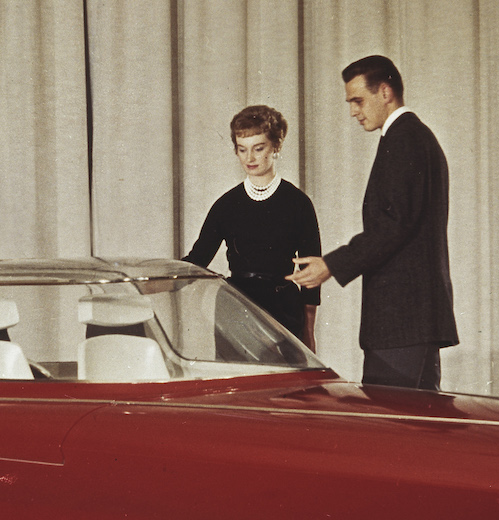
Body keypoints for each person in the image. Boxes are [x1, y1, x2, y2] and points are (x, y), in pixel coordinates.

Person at [286, 55, 457, 390]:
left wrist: (330, 265)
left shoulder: (404, 139)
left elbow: (393, 225)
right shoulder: (419, 137)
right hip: (415, 319)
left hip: (401, 320)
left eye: (358, 100)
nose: (353, 111)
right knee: (417, 428)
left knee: (391, 425)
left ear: (385, 92)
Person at [182, 105, 322, 349]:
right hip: (236, 311)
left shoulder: (298, 203)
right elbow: (197, 260)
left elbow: (311, 274)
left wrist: (309, 331)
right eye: (242, 150)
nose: (250, 158)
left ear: (276, 146)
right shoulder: (225, 205)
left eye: (259, 148)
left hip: (284, 313)